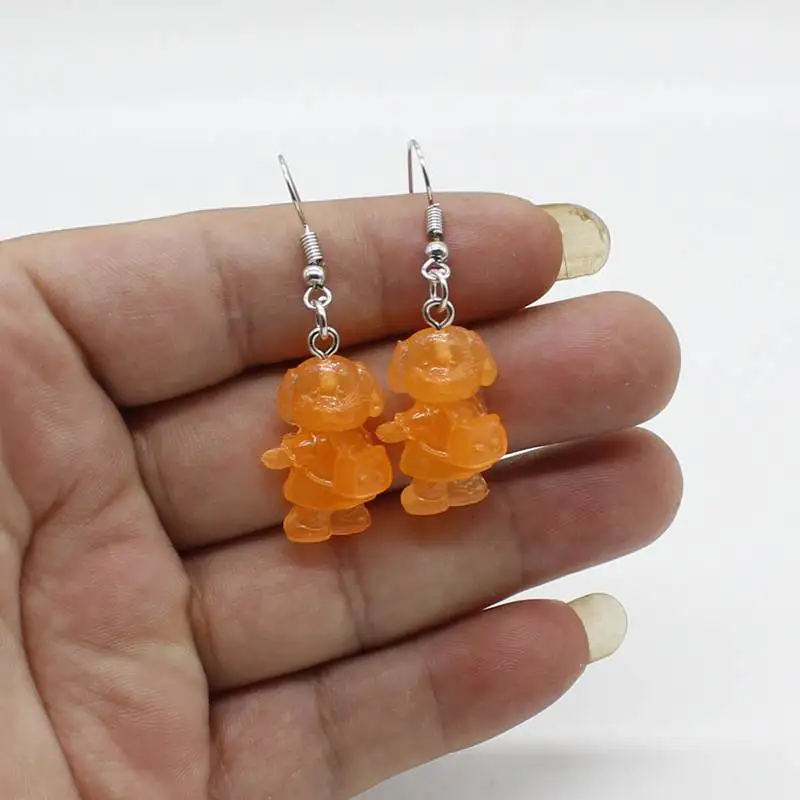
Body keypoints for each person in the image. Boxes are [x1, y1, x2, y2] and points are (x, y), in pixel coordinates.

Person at [0, 193, 681, 798]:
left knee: (429, 472)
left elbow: (414, 417)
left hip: (434, 453)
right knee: (334, 492)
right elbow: (320, 438)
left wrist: (419, 428)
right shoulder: (339, 408)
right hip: (333, 475)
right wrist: (309, 448)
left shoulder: (439, 393)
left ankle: (432, 487)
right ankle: (346, 507)